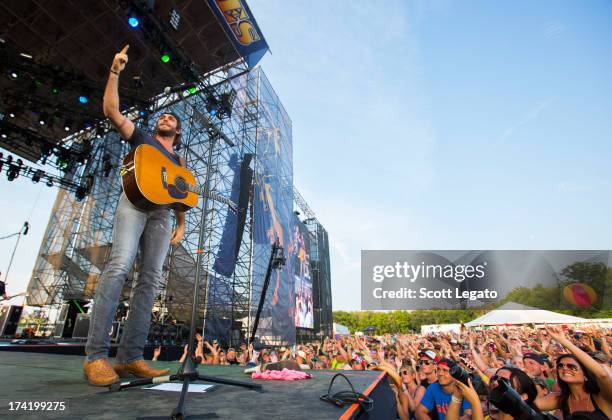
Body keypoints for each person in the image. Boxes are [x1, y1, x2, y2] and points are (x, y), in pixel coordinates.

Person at [83, 45, 186, 386]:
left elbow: (181, 194)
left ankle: (131, 358)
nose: (165, 118)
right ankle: (96, 357)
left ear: (179, 132)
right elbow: (111, 110)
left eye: (172, 118)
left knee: (151, 281)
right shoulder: (143, 138)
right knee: (119, 267)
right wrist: (115, 71)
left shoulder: (180, 162)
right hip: (133, 203)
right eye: (163, 116)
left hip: (161, 216)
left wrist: (181, 223)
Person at [535, 326, 612, 419]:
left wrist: (563, 341)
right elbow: (524, 407)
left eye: (571, 366)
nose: (565, 368)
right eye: (560, 365)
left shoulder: (601, 396)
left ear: (585, 373)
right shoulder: (561, 398)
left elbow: (603, 375)